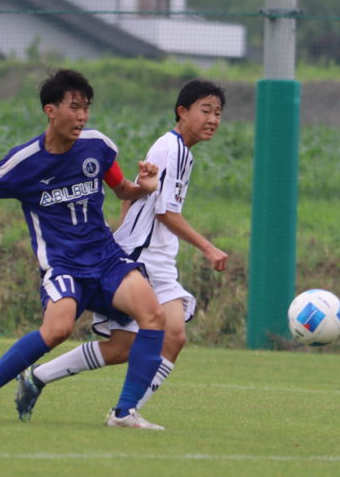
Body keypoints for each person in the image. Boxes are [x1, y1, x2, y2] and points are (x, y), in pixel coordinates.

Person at [0, 68, 167, 430]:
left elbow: (121, 189)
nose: (82, 116)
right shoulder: (25, 161)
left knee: (153, 316)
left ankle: (124, 413)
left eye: (86, 107)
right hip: (63, 265)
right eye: (74, 107)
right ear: (50, 110)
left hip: (106, 259)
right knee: (57, 329)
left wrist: (145, 187)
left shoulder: (98, 147)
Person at [14, 79, 228, 422]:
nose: (213, 119)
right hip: (144, 257)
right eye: (206, 111)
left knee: (152, 342)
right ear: (182, 111)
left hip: (155, 255)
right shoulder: (170, 148)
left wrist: (123, 232)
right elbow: (165, 212)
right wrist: (207, 247)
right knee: (148, 340)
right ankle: (120, 410)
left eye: (218, 113)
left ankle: (58, 385)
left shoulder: (181, 151)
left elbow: (137, 193)